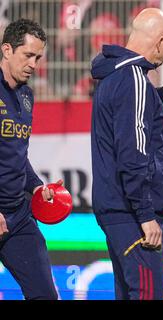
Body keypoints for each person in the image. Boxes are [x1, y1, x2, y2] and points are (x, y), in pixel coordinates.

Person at [90, 8, 163, 300]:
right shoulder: (134, 79)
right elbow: (133, 153)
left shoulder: (116, 74)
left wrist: (159, 96)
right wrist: (145, 214)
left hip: (118, 210)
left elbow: (122, 117)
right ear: (159, 42)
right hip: (134, 214)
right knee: (147, 295)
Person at [0, 18, 62, 300]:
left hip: (18, 217)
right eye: (28, 55)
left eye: (38, 57)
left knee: (45, 295)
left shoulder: (26, 95)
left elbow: (17, 154)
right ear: (7, 50)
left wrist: (36, 186)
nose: (34, 64)